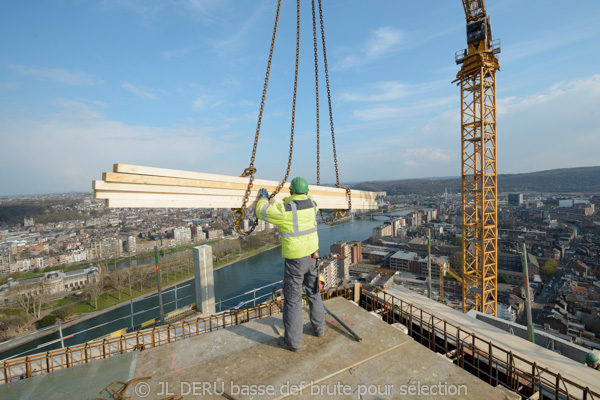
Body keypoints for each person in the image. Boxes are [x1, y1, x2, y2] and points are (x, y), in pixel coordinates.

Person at [257, 177, 325, 352]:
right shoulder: (313, 205)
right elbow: (309, 199)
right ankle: (319, 329)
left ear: (290, 192)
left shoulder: (285, 210)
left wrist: (264, 198)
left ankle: (293, 342)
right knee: (314, 293)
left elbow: (262, 212)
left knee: (293, 300)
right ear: (307, 192)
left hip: (295, 261)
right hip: (313, 256)